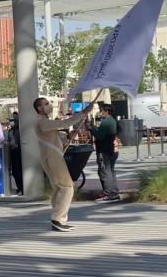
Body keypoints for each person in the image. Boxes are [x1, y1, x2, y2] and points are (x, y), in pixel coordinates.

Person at [33, 97, 92, 232]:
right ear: (39, 108)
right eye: (46, 104)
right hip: (52, 157)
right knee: (67, 187)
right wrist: (83, 112)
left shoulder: (45, 122)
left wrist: (68, 136)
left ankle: (58, 218)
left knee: (59, 188)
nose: (49, 105)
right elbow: (65, 123)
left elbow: (55, 136)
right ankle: (58, 218)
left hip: (53, 156)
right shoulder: (42, 122)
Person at [89, 103, 120, 203]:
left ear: (106, 111)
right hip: (111, 149)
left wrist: (91, 128)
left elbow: (99, 136)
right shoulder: (113, 121)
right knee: (111, 171)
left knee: (105, 171)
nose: (100, 112)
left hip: (104, 149)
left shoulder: (106, 121)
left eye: (101, 110)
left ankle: (109, 193)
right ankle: (114, 192)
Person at [8, 112, 23, 195]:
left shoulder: (20, 131)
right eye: (10, 120)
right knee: (14, 172)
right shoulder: (10, 131)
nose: (10, 122)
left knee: (20, 171)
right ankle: (19, 187)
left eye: (12, 120)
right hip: (13, 152)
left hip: (19, 152)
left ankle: (22, 188)